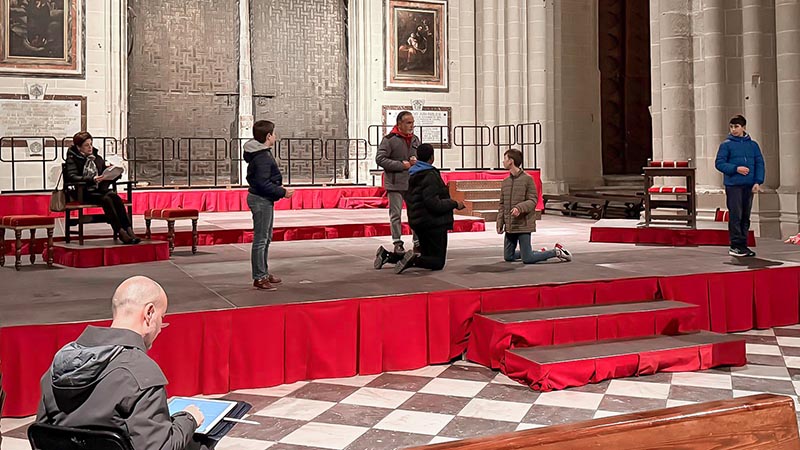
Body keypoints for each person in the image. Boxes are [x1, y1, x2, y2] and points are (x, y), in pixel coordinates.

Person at [36, 276, 205, 450]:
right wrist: (188, 419)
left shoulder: (59, 366)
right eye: (162, 318)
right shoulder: (140, 372)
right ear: (149, 313)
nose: (161, 328)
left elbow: (42, 436)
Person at [394, 144, 465, 274]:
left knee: (428, 256)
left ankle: (390, 256)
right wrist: (454, 203)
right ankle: (412, 260)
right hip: (434, 223)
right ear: (432, 157)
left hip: (419, 222)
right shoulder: (429, 175)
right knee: (437, 262)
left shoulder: (413, 173)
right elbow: (434, 203)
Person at [497, 149, 572, 264]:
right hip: (510, 225)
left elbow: (533, 200)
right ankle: (537, 252)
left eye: (505, 159)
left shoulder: (528, 179)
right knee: (508, 256)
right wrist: (500, 223)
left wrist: (519, 208)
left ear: (511, 161)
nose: (503, 162)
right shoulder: (505, 181)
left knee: (527, 259)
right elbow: (502, 204)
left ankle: (556, 252)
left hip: (523, 224)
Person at [65, 131, 140, 244]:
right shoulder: (72, 159)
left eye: (91, 144)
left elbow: (104, 174)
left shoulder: (97, 158)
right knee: (106, 199)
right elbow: (72, 176)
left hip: (99, 190)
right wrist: (91, 179)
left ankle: (128, 229)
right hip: (84, 192)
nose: (90, 147)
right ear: (78, 147)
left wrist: (115, 174)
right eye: (86, 145)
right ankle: (120, 231)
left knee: (114, 196)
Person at [244, 120, 294, 290]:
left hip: (262, 199)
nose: (275, 136)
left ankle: (263, 272)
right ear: (268, 136)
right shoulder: (262, 157)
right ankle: (259, 277)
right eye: (274, 133)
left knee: (266, 238)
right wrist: (282, 192)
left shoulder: (260, 153)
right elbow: (262, 183)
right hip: (260, 200)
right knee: (261, 239)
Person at [715, 114, 765, 257]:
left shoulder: (753, 145)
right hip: (734, 185)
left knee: (745, 216)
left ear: (743, 127)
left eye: (736, 126)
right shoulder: (726, 145)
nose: (733, 129)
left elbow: (759, 164)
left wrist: (757, 181)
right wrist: (735, 168)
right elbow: (719, 163)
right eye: (731, 127)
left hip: (748, 185)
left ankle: (743, 245)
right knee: (736, 215)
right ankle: (735, 245)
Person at [376, 111, 420, 257]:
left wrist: (416, 160)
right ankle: (397, 243)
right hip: (395, 184)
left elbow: (419, 157)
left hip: (412, 183)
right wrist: (401, 165)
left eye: (412, 123)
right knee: (396, 215)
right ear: (399, 123)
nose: (411, 126)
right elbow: (380, 159)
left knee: (414, 213)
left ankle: (417, 242)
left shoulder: (415, 139)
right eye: (408, 123)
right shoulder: (389, 140)